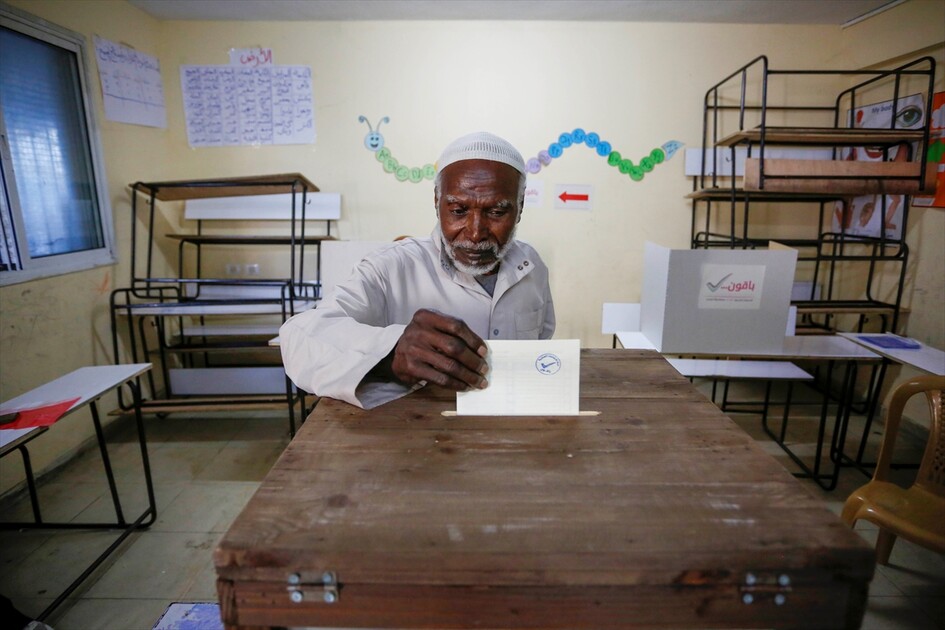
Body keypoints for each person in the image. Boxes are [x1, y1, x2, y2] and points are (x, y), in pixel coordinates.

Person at [280, 132, 555, 409]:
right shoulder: (391, 267)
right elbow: (299, 338)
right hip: (418, 439)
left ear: (519, 209)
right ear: (437, 202)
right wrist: (390, 353)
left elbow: (542, 341)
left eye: (496, 212)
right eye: (459, 210)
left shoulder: (531, 267)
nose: (474, 233)